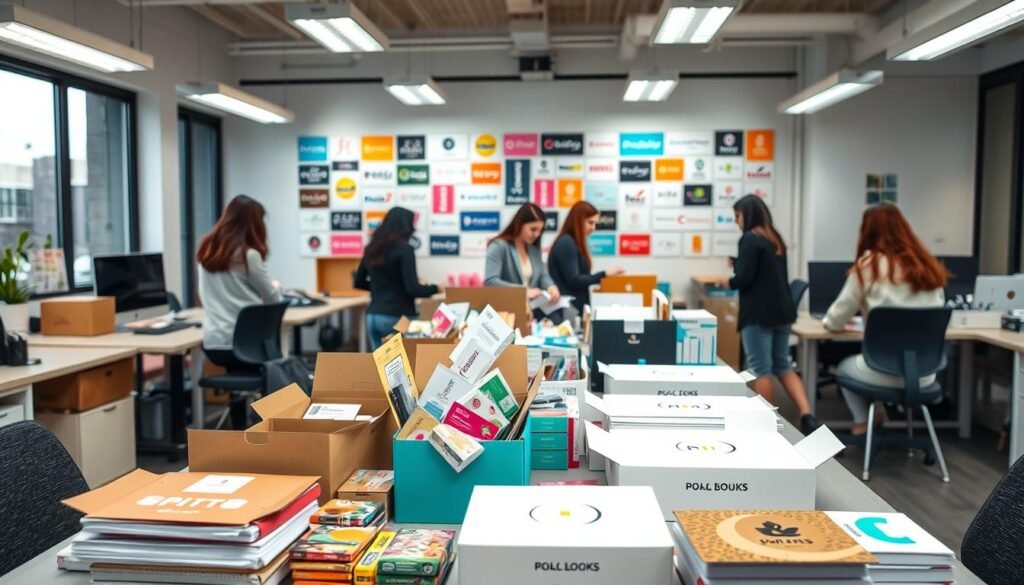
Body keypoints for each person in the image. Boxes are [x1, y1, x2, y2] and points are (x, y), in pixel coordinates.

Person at [823, 203, 947, 436]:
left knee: (843, 368)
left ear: (867, 231)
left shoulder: (869, 265)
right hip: (925, 374)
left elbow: (834, 320)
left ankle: (863, 421)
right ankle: (882, 416)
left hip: (882, 369)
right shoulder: (927, 264)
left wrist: (845, 322)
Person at [721, 195, 818, 434]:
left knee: (760, 368)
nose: (736, 222)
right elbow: (765, 272)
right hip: (782, 313)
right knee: (783, 365)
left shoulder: (749, 239)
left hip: (759, 314)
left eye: (738, 216)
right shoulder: (775, 239)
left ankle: (765, 424)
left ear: (748, 215)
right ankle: (807, 415)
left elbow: (744, 279)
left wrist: (728, 281)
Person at [197, 195, 282, 371]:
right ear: (254, 224)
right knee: (280, 360)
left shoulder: (207, 251)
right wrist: (277, 286)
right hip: (246, 346)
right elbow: (274, 299)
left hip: (214, 344)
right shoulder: (248, 256)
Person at [355, 207, 442, 350]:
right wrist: (436, 288)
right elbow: (413, 289)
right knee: (401, 367)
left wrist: (382, 287)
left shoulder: (371, 248)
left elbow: (358, 281)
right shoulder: (405, 250)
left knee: (379, 366)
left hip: (373, 316)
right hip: (397, 317)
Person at [548, 201, 624, 316]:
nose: (593, 228)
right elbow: (574, 280)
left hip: (574, 310)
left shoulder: (572, 242)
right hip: (567, 312)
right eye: (590, 223)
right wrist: (604, 274)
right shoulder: (566, 243)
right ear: (578, 221)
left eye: (595, 224)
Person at [485, 203, 560, 303]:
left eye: (540, 230)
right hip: (505, 309)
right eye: (533, 229)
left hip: (530, 311)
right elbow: (491, 282)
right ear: (519, 225)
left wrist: (551, 287)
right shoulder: (499, 246)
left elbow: (542, 275)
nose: (537, 234)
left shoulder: (534, 249)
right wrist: (523, 291)